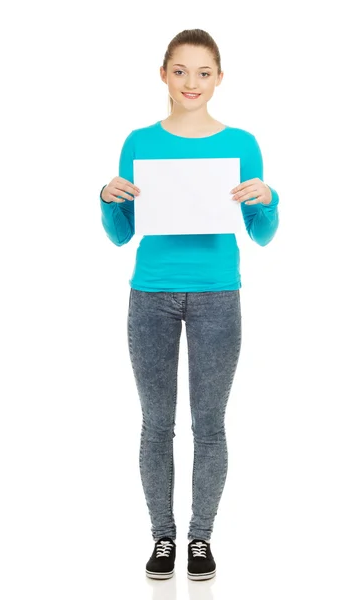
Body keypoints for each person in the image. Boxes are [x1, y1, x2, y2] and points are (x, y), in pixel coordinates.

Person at [99, 28, 280, 582]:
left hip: (218, 295)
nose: (191, 83)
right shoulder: (139, 141)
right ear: (163, 74)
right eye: (180, 71)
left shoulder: (242, 143)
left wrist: (269, 200)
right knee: (156, 424)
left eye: (204, 72)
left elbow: (263, 233)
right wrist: (107, 199)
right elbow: (120, 235)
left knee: (209, 424)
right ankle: (162, 537)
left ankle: (200, 537)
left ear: (219, 78)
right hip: (150, 295)